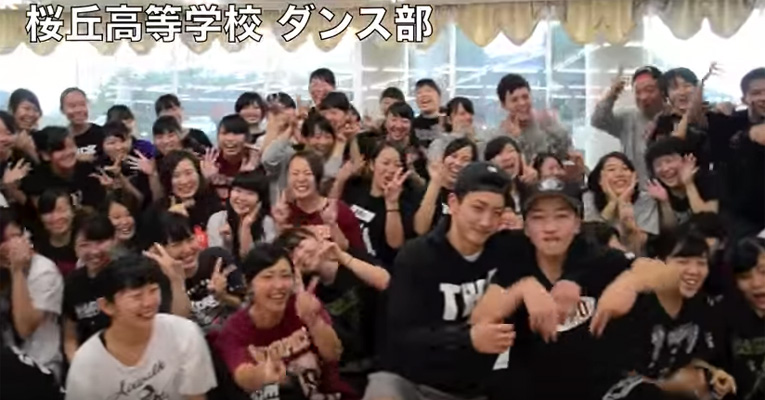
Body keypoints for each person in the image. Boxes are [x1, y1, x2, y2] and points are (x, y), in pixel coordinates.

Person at [470, 177, 675, 400]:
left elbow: (666, 274)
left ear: (578, 223)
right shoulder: (517, 261)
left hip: (600, 387)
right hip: (533, 386)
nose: (550, 228)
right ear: (526, 227)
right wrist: (522, 289)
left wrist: (628, 283)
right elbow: (481, 319)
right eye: (538, 218)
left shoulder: (596, 256)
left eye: (561, 216)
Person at [365, 161, 515, 400]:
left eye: (497, 213)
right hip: (418, 384)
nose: (486, 221)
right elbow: (401, 336)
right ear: (454, 203)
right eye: (478, 208)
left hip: (482, 388)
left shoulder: (507, 251)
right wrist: (468, 338)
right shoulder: (417, 257)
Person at [599, 230, 734, 400]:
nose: (694, 271)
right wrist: (670, 385)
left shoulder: (704, 306)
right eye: (682, 262)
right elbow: (614, 371)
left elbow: (696, 356)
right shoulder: (631, 304)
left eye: (701, 263)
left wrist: (713, 373)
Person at [65, 254, 217, 400]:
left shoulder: (184, 334)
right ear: (107, 306)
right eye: (136, 296)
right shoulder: (86, 365)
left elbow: (196, 396)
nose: (148, 303)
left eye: (153, 290)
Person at [215, 242, 355, 400]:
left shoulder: (303, 305)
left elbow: (333, 354)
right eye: (268, 277)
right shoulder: (235, 329)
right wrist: (262, 375)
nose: (279, 285)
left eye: (285, 276)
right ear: (249, 284)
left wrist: (314, 321)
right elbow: (242, 375)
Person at [275, 227, 390, 392]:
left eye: (301, 245)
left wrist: (342, 257)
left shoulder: (352, 259)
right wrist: (299, 289)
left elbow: (386, 283)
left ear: (317, 239)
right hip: (351, 371)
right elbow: (329, 352)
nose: (300, 254)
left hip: (387, 354)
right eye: (292, 255)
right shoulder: (308, 293)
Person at [0, 208, 63, 379]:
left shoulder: (43, 271)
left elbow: (25, 327)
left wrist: (17, 271)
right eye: (4, 239)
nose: (12, 244)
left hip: (39, 366)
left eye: (16, 236)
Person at [339, 141, 419, 266]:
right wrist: (340, 180)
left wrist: (391, 203)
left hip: (379, 269)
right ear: (372, 164)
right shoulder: (355, 189)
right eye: (385, 163)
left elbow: (395, 244)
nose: (391, 170)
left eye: (397, 165)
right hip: (348, 262)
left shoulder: (405, 203)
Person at [590, 65, 665, 178]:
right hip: (636, 185)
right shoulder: (628, 117)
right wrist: (611, 95)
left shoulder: (674, 118)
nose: (643, 97)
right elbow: (598, 120)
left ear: (663, 91)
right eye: (638, 92)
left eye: (649, 90)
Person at [484, 73, 572, 162]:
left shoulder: (544, 125)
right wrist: (516, 138)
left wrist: (553, 126)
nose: (522, 103)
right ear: (503, 105)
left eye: (525, 97)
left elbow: (565, 153)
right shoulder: (498, 137)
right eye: (514, 100)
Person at [584, 152, 659, 254]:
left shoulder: (647, 199)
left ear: (635, 177)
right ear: (600, 179)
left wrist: (625, 208)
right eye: (611, 169)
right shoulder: (589, 198)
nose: (619, 174)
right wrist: (612, 203)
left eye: (625, 169)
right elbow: (591, 239)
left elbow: (640, 248)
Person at [644, 137, 718, 232]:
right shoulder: (656, 191)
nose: (665, 168)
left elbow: (709, 222)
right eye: (658, 165)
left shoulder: (708, 179)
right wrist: (665, 202)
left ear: (687, 159)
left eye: (669, 161)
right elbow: (670, 232)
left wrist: (689, 184)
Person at [20, 127, 106, 208]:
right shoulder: (36, 181)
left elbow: (98, 206)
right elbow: (45, 213)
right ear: (45, 155)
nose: (68, 152)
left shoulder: (87, 169)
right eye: (60, 149)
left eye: (71, 146)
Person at [414, 138, 477, 235]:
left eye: (465, 160)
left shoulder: (472, 196)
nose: (457, 163)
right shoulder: (425, 191)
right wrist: (435, 182)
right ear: (443, 159)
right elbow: (420, 229)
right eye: (453, 156)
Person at [206, 171, 276, 258]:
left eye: (250, 193)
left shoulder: (267, 223)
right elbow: (216, 259)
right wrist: (226, 242)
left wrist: (246, 226)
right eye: (238, 191)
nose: (242, 198)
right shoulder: (217, 219)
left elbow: (254, 262)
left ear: (260, 200)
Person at [59, 87, 104, 162]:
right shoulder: (60, 138)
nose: (78, 110)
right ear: (62, 110)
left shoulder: (102, 133)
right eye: (72, 106)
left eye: (82, 105)